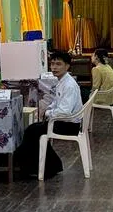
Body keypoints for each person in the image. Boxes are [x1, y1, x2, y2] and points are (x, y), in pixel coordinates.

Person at [15, 51, 82, 179]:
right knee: (33, 129)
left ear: (67, 66)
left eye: (58, 64)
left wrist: (48, 113)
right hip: (61, 121)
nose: (54, 67)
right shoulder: (61, 81)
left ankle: (40, 167)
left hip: (68, 124)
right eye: (52, 64)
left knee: (33, 131)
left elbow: (64, 111)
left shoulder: (69, 85)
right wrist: (49, 110)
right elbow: (55, 103)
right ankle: (48, 165)